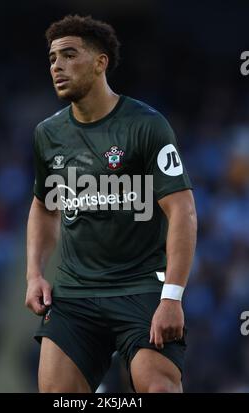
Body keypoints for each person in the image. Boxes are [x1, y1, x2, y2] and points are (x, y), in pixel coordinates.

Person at [25, 14, 197, 393]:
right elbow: (43, 206)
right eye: (53, 59)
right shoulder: (48, 134)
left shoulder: (147, 125)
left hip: (139, 288)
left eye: (69, 55)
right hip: (75, 293)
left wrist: (172, 296)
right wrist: (34, 273)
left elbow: (181, 209)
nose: (57, 67)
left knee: (159, 388)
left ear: (101, 62)